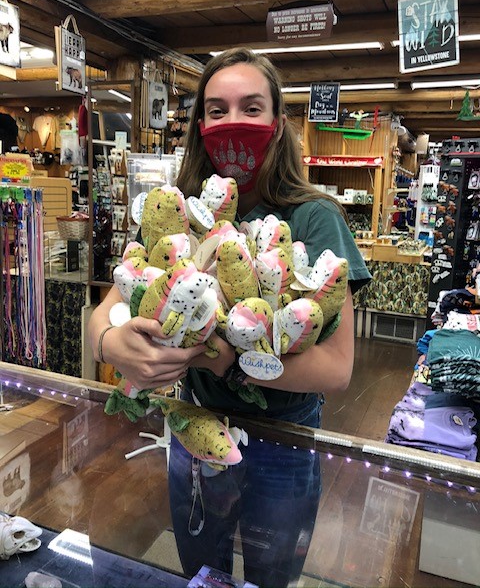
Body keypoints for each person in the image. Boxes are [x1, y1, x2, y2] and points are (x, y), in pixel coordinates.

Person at [88, 47, 371, 587]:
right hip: (194, 429)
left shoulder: (314, 217)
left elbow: (337, 368)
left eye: (251, 107)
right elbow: (109, 305)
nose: (233, 122)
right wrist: (109, 342)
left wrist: (222, 363)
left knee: (271, 577)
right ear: (199, 124)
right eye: (217, 110)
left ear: (278, 123)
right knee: (201, 574)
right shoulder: (183, 206)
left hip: (282, 440)